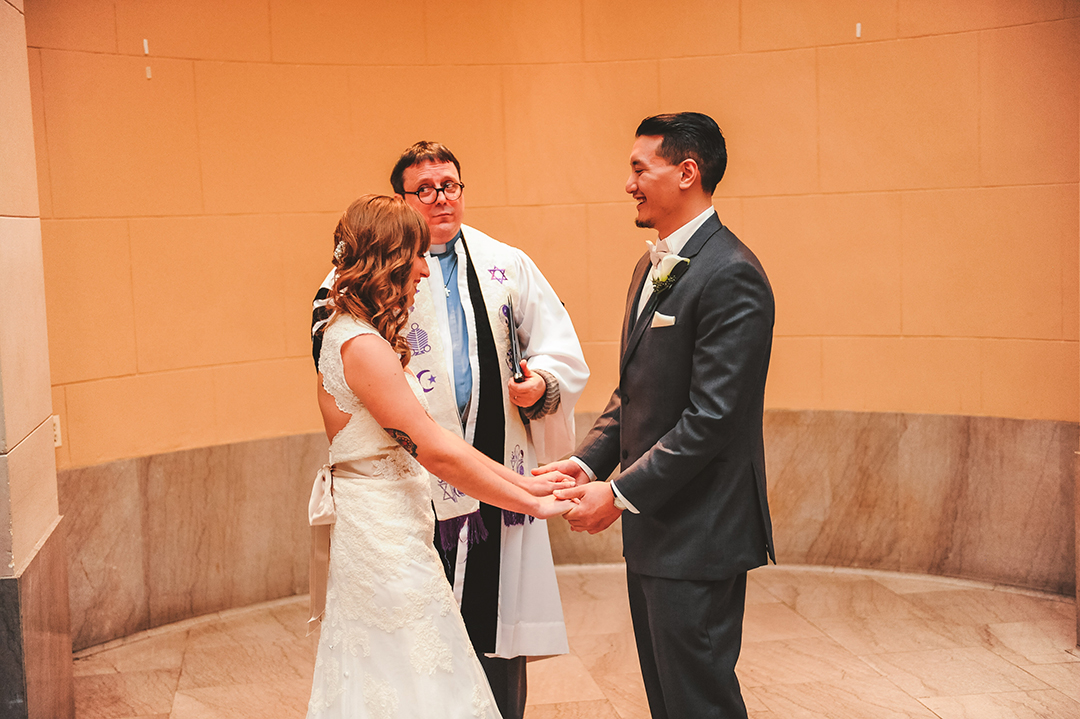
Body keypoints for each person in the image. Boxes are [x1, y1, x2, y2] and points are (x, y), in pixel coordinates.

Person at [312, 142, 589, 719]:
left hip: (400, 515)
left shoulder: (499, 263)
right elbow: (436, 448)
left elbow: (440, 446)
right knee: (412, 669)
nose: (423, 272)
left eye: (452, 185)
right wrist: (531, 499)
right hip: (389, 530)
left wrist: (528, 483)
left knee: (410, 673)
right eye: (414, 262)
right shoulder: (359, 342)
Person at [539, 113, 776, 719]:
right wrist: (585, 462)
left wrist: (616, 495)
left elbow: (712, 419)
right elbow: (635, 394)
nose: (629, 184)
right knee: (669, 702)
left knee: (701, 703)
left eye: (640, 169)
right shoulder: (650, 267)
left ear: (686, 172)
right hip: (658, 532)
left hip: (700, 533)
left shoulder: (733, 275)